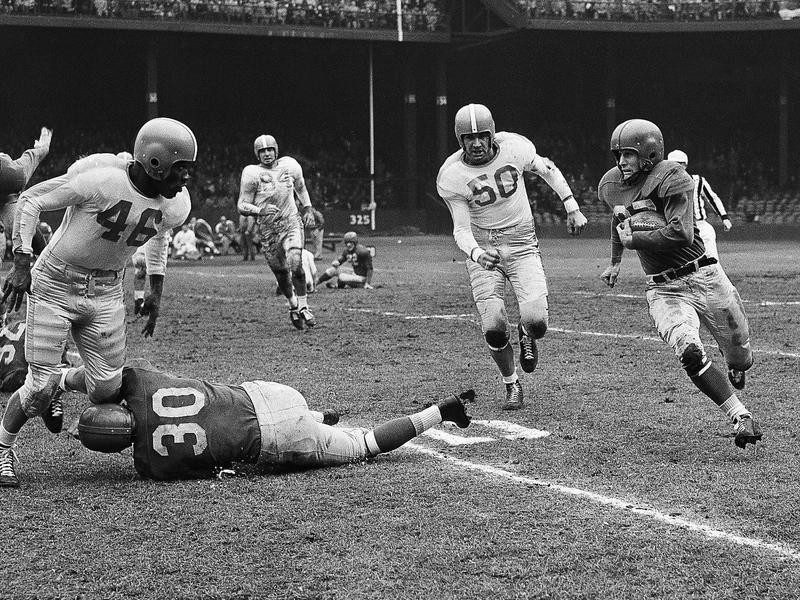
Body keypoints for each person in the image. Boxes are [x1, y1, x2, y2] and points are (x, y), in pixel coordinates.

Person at [0, 117, 198, 488]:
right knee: (38, 389)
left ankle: (59, 379)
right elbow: (30, 200)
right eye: (181, 169)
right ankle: (3, 447)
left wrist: (155, 288)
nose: (185, 179)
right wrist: (21, 261)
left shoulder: (176, 204)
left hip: (107, 291)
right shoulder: (102, 179)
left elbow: (159, 234)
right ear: (155, 162)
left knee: (105, 389)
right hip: (56, 283)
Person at [598, 119, 761, 450]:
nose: (621, 163)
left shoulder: (673, 177)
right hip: (664, 289)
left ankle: (736, 365)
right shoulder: (614, 185)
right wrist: (615, 261)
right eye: (618, 155)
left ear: (649, 153)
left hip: (704, 275)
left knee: (742, 355)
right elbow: (620, 222)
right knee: (688, 350)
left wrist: (636, 238)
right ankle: (740, 416)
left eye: (628, 154)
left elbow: (681, 232)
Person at [68, 359, 473, 481]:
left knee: (365, 444)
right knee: (245, 403)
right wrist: (63, 380)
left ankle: (442, 410)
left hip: (277, 439)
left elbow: (211, 469)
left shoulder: (149, 465)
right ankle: (318, 415)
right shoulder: (139, 381)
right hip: (265, 392)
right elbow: (105, 376)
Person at [436, 103, 588, 411]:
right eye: (468, 138)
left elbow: (547, 168)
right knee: (492, 325)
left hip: (521, 245)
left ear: (492, 135)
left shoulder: (514, 147)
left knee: (537, 323)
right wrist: (477, 254)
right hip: (484, 250)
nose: (476, 143)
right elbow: (461, 230)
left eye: (481, 136)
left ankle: (525, 332)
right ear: (459, 140)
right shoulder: (452, 175)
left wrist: (571, 205)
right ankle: (511, 383)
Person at [237, 134, 318, 330]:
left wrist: (307, 208)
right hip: (268, 230)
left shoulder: (290, 165)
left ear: (276, 150)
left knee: (296, 263)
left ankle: (305, 307)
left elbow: (301, 187)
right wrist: (259, 210)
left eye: (270, 150)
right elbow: (242, 204)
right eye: (262, 151)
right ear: (257, 154)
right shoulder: (251, 173)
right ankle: (293, 306)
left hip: (291, 222)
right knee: (281, 273)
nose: (267, 154)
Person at [666, 150, 733, 261]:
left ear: (685, 165)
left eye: (678, 163)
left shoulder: (698, 181)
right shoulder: (664, 184)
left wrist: (724, 217)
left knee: (712, 259)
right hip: (678, 228)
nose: (674, 167)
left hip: (700, 226)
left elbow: (713, 198)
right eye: (671, 164)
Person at [0, 127, 53, 265]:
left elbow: (34, 156)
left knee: (21, 224)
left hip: (8, 187)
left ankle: (46, 263)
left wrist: (43, 147)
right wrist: (43, 148)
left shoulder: (13, 175)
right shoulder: (13, 174)